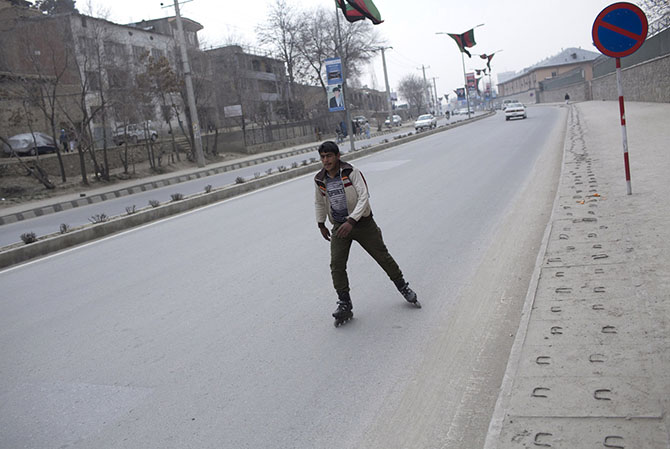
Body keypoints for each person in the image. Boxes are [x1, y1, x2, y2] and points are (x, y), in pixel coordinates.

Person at [314, 141, 420, 326]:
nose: (326, 160)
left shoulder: (350, 172)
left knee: (382, 257)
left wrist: (352, 220)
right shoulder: (320, 179)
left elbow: (364, 196)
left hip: (363, 224)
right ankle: (344, 303)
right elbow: (319, 202)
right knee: (337, 265)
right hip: (339, 226)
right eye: (323, 157)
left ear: (338, 156)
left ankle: (403, 287)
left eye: (329, 156)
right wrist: (321, 223)